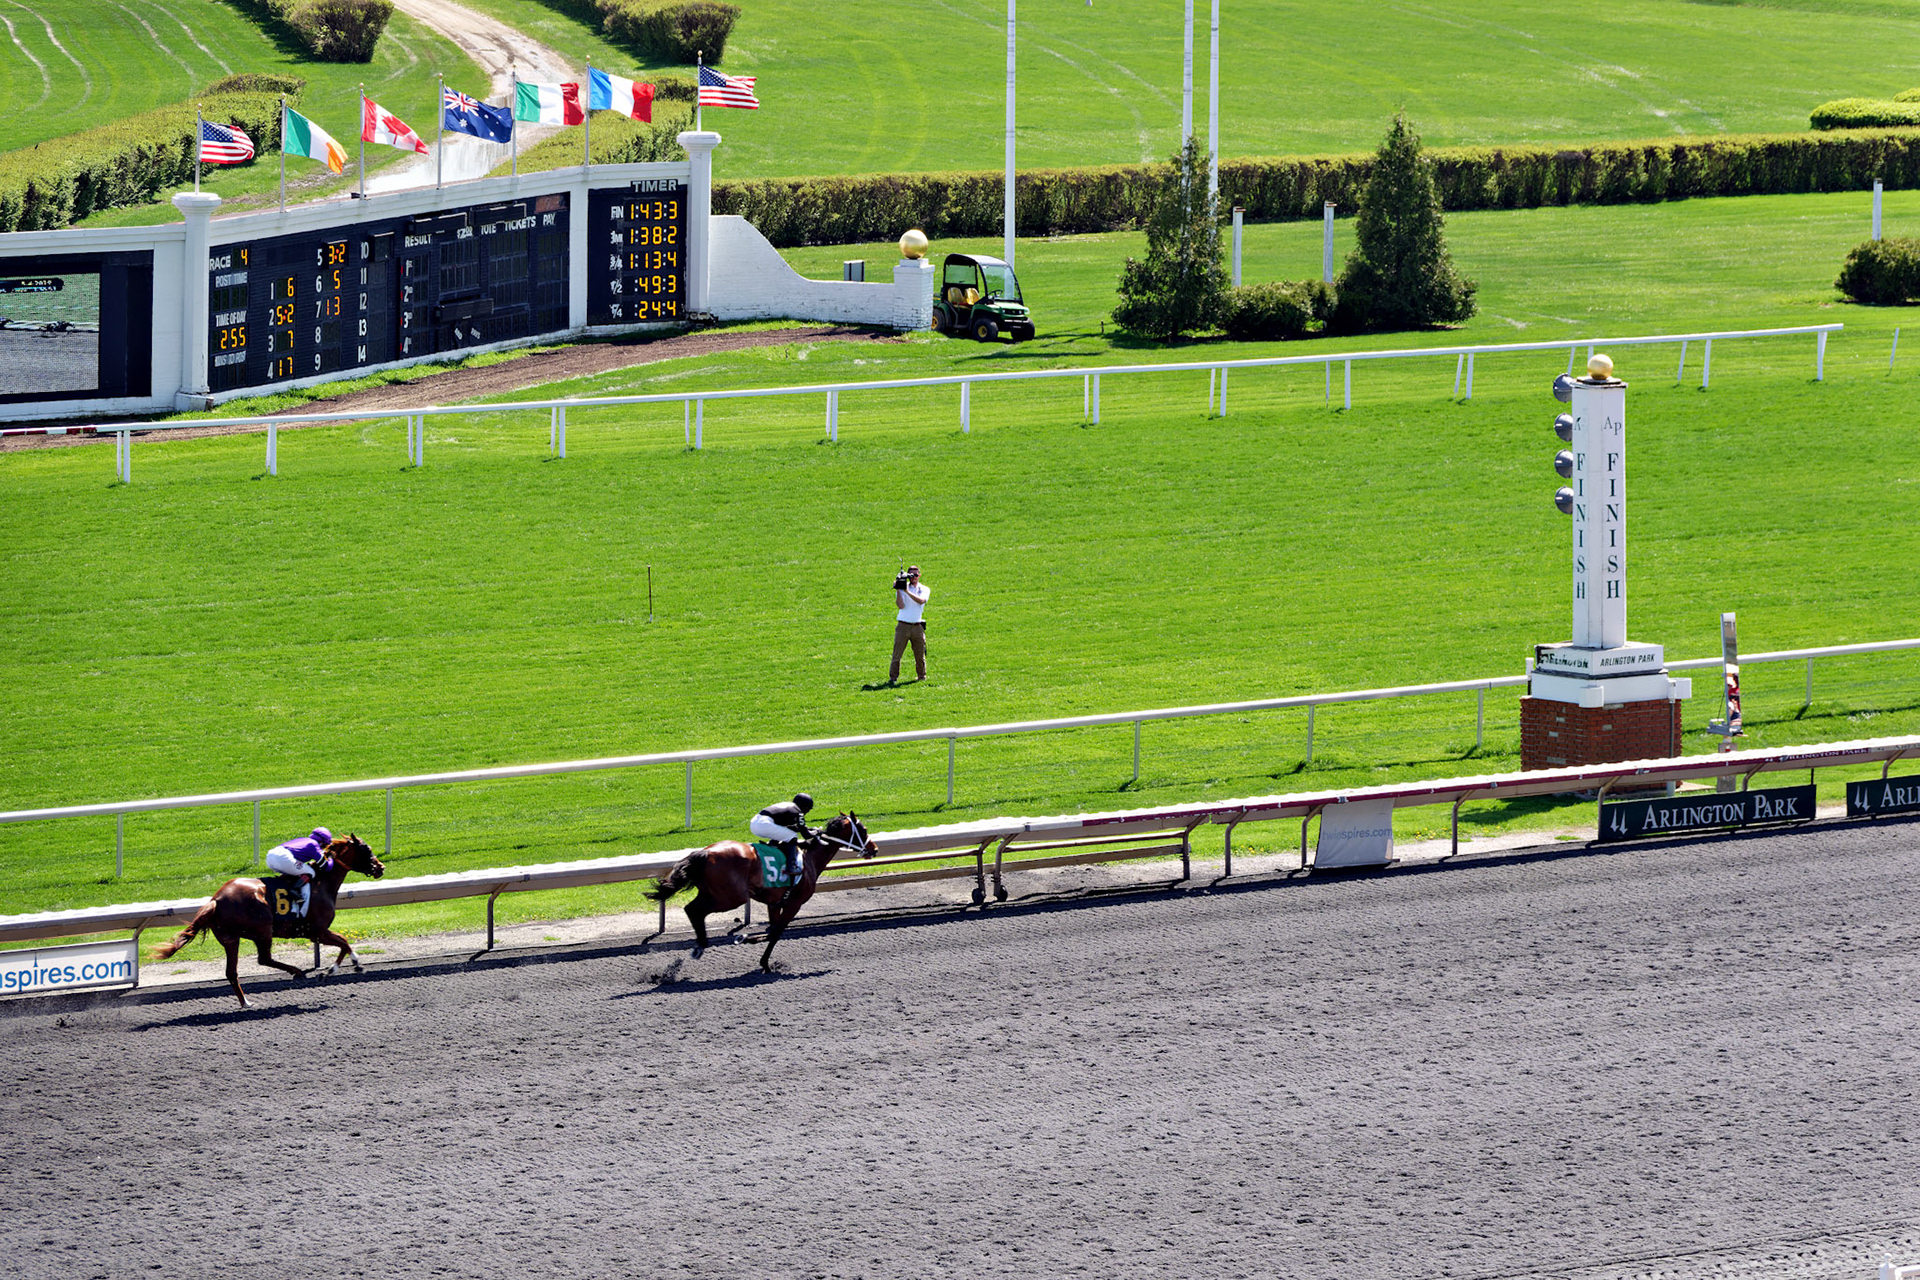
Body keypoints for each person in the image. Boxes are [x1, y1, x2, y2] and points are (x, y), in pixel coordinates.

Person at [748, 793, 815, 887]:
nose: (807, 812)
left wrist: (809, 829)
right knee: (792, 836)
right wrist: (817, 832)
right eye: (808, 808)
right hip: (764, 824)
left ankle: (772, 846)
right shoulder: (798, 812)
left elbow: (788, 826)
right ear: (804, 806)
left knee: (783, 832)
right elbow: (806, 835)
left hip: (754, 823)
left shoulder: (789, 806)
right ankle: (791, 867)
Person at [264, 826, 332, 916]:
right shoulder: (314, 845)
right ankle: (294, 890)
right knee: (311, 872)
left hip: (270, 856)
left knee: (294, 873)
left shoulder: (303, 840)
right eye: (324, 845)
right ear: (322, 842)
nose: (323, 848)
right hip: (283, 858)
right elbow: (326, 866)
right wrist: (331, 859)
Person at [889, 564, 931, 684]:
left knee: (920, 654)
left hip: (917, 626)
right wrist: (898, 590)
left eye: (916, 575)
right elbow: (901, 605)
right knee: (897, 654)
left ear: (919, 575)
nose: (914, 577)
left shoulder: (924, 589)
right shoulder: (902, 587)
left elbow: (921, 601)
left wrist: (906, 591)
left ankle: (922, 676)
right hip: (903, 626)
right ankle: (893, 678)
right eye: (911, 575)